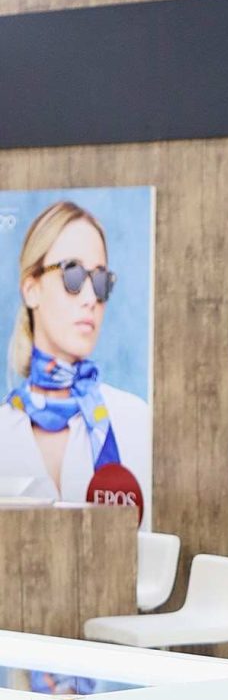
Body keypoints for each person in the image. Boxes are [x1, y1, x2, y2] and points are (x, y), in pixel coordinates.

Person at [0, 200, 151, 518]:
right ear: (31, 289)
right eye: (73, 274)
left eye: (100, 281)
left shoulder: (135, 422)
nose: (91, 298)